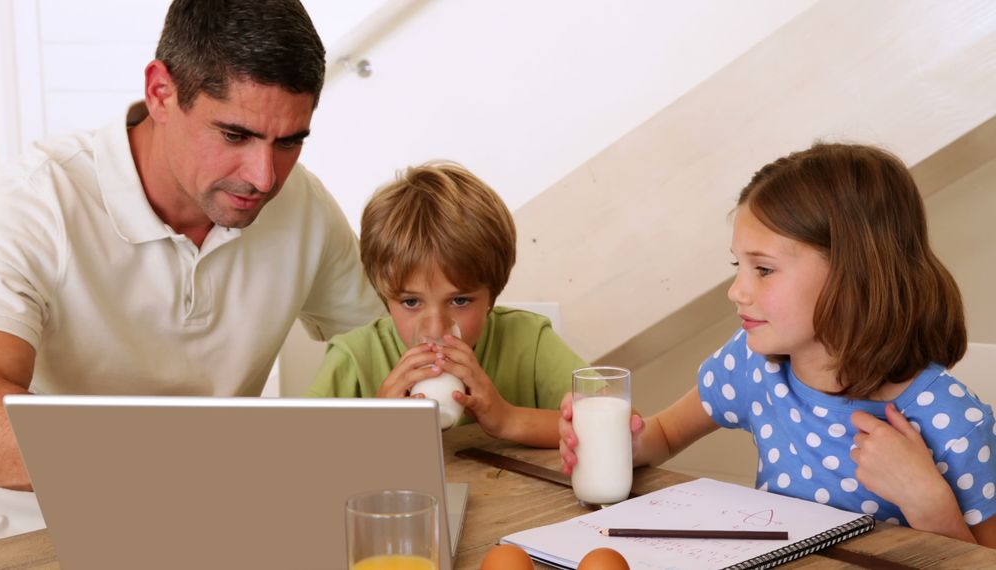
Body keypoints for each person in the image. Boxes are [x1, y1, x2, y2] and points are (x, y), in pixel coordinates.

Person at [0, 0, 383, 556]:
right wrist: (200, 459)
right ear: (162, 92)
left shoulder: (302, 206)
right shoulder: (34, 202)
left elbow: (385, 344)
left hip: (201, 529)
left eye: (289, 141)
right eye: (235, 135)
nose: (263, 177)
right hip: (14, 532)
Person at [559, 143, 996, 546]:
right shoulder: (753, 363)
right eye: (738, 265)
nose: (737, 290)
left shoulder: (955, 424)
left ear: (853, 276)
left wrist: (928, 502)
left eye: (764, 270)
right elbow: (665, 435)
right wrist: (615, 444)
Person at [307, 162, 587, 448]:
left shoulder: (528, 341)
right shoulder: (355, 357)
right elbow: (298, 453)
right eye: (411, 302)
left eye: (459, 300)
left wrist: (506, 418)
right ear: (384, 295)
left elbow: (620, 431)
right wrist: (377, 425)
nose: (434, 329)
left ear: (492, 295)